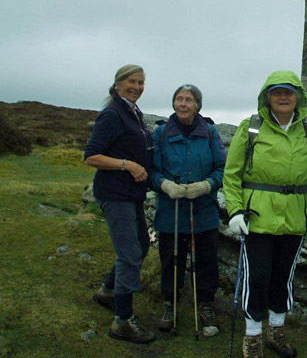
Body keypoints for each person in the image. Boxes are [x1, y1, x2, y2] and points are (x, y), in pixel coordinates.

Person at [223, 70, 307, 358]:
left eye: (289, 92)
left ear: (298, 97)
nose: (283, 97)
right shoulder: (251, 128)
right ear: (267, 96)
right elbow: (232, 175)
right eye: (277, 91)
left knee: (283, 277)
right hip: (256, 219)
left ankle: (277, 332)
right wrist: (235, 211)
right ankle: (253, 336)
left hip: (295, 220)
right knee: (257, 278)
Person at [149, 84, 227, 336]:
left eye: (189, 100)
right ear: (174, 104)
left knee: (206, 260)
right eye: (179, 99)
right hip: (170, 210)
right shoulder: (160, 133)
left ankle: (205, 304)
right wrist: (164, 184)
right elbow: (151, 170)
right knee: (171, 260)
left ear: (198, 106)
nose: (183, 104)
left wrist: (207, 185)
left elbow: (223, 169)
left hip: (203, 210)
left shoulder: (211, 133)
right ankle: (170, 304)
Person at [85, 64, 155, 344]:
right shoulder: (113, 114)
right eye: (131, 81)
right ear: (117, 84)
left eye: (141, 82)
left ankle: (107, 293)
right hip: (115, 195)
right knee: (129, 254)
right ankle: (122, 321)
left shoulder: (133, 113)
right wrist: (127, 165)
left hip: (131, 195)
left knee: (141, 245)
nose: (136, 86)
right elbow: (91, 156)